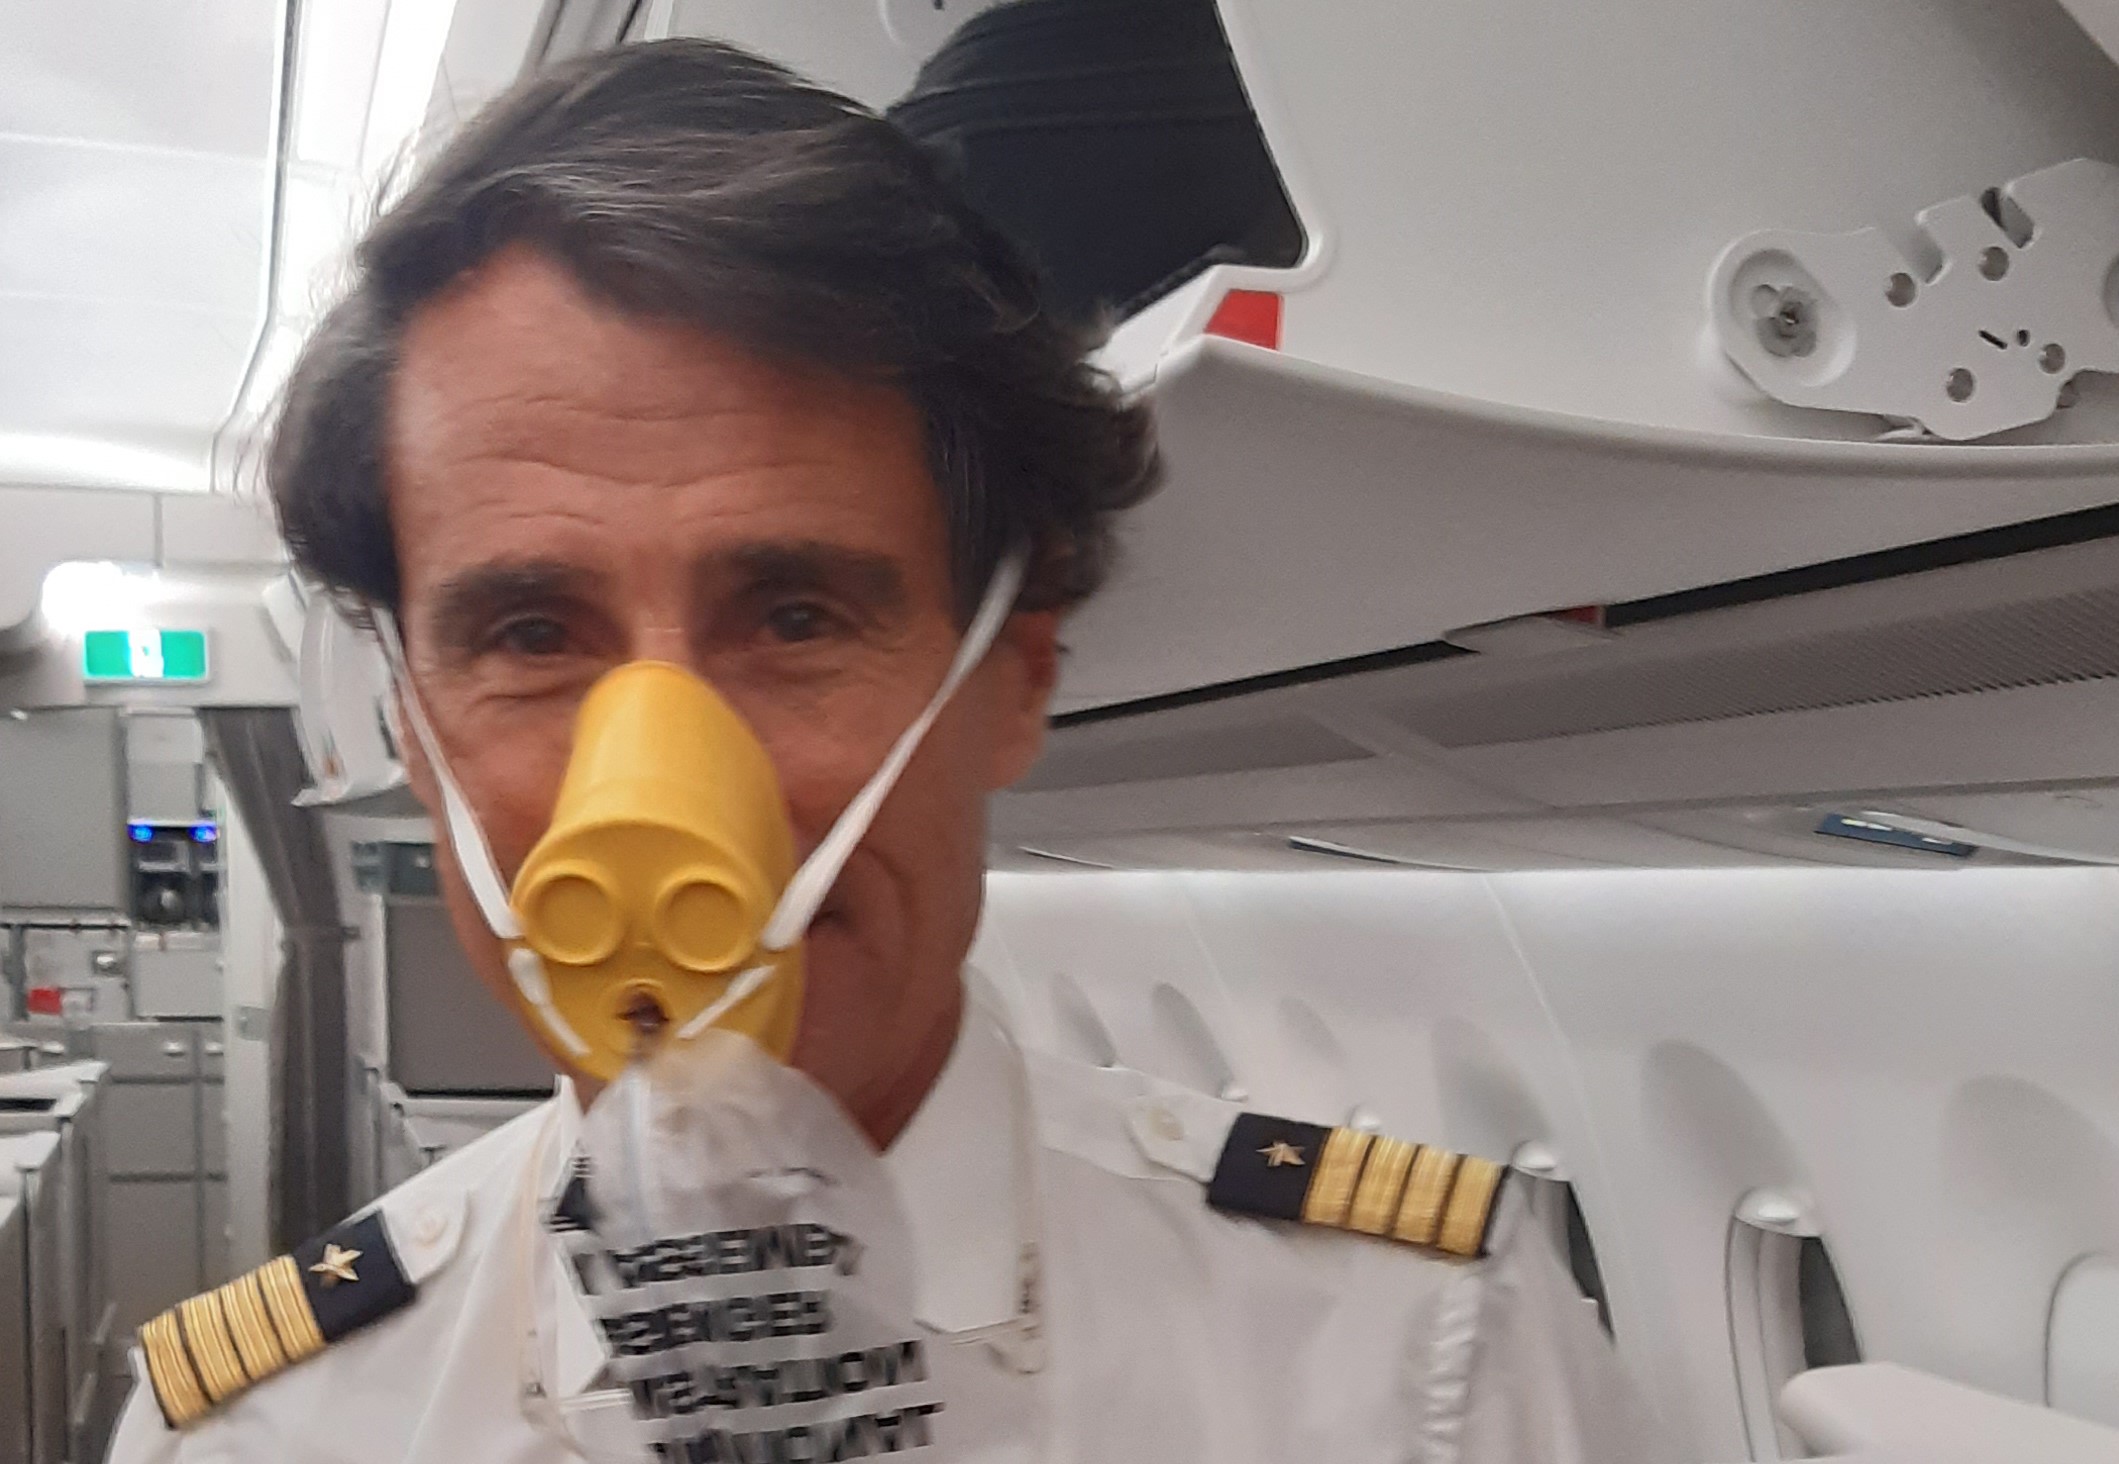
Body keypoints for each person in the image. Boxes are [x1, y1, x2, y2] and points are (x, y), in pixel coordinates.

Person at [105, 37, 1668, 1464]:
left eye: (793, 616)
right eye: (530, 636)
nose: (660, 801)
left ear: (1015, 674)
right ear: (412, 725)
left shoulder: (1421, 1366)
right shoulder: (266, 1432)